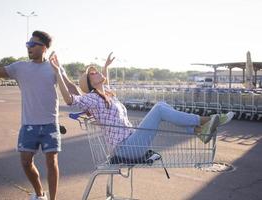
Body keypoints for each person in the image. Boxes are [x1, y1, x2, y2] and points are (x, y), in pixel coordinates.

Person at [49, 52, 234, 160]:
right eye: (93, 73)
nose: (97, 72)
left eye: (97, 70)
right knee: (159, 109)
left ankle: (196, 130)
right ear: (90, 83)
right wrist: (58, 72)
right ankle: (206, 121)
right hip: (126, 148)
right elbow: (70, 100)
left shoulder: (106, 95)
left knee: (161, 104)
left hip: (131, 142)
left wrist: (106, 67)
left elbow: (104, 82)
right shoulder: (93, 98)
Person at [0, 30, 80, 200]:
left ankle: (53, 199)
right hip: (29, 125)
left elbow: (70, 86)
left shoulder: (53, 68)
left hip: (50, 124)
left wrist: (90, 101)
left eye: (32, 44)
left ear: (43, 48)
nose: (28, 47)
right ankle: (39, 193)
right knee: (25, 162)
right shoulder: (19, 67)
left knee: (52, 162)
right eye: (27, 44)